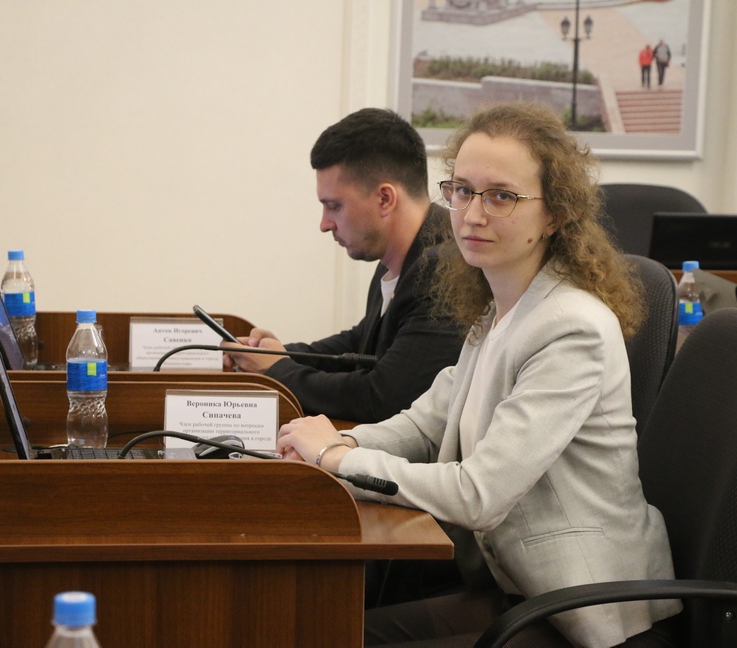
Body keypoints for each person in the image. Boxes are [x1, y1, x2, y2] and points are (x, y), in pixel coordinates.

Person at [275, 102, 682, 647]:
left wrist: (336, 458)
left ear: (554, 214)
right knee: (333, 631)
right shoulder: (498, 310)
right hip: (516, 586)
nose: (471, 215)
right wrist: (338, 444)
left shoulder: (572, 329)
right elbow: (425, 424)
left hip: (582, 608)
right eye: (462, 191)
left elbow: (479, 493)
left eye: (501, 196)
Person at [222, 108, 464, 424]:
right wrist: (278, 354)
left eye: (334, 206)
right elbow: (362, 342)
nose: (325, 224)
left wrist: (276, 370)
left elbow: (381, 398)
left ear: (385, 199)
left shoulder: (443, 272)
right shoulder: (400, 257)